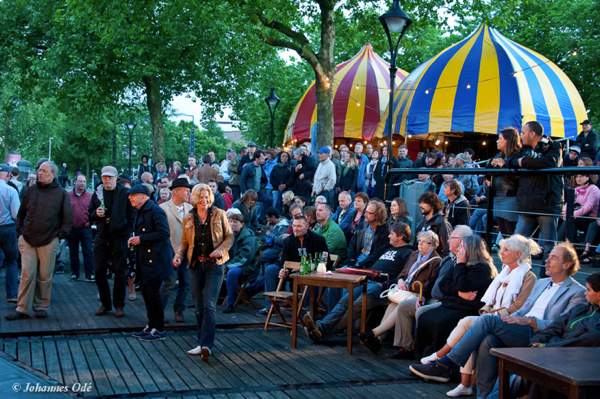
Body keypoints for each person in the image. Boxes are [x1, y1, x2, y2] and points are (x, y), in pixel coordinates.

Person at [409, 242, 586, 398]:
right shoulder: (542, 283)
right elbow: (523, 310)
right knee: (488, 340)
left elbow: (565, 327)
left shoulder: (577, 292)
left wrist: (530, 322)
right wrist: (514, 319)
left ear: (567, 264)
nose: (546, 260)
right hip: (520, 325)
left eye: (553, 258)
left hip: (540, 334)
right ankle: (484, 396)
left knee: (487, 321)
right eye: (548, 256)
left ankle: (445, 363)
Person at [420, 235, 539, 397]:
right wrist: (487, 313)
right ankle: (467, 385)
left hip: (508, 322)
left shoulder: (528, 277)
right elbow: (490, 301)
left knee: (467, 322)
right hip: (491, 318)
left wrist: (492, 315)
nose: (501, 252)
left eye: (506, 250)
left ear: (518, 254)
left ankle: (443, 360)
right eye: (501, 248)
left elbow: (519, 307)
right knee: (477, 335)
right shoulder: (503, 273)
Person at [305, 223, 415, 344]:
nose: (389, 236)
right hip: (367, 280)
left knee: (356, 306)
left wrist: (385, 284)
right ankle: (321, 329)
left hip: (382, 286)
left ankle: (322, 330)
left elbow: (405, 275)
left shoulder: (409, 253)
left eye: (392, 234)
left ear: (401, 237)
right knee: (344, 301)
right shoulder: (388, 248)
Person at [173, 183, 234, 362]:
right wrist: (178, 255)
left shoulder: (220, 214)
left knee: (209, 304)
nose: (204, 200)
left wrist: (221, 250)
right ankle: (201, 343)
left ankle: (207, 344)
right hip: (195, 265)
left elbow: (230, 236)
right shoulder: (189, 217)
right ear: (195, 199)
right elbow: (185, 240)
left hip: (214, 265)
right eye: (201, 197)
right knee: (199, 307)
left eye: (207, 197)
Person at [6, 161, 73, 320]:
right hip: (27, 239)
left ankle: (41, 306)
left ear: (53, 174)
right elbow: (21, 214)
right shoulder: (30, 190)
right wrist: (20, 234)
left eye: (44, 171)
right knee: (26, 274)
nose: (39, 173)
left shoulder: (61, 193)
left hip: (49, 240)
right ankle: (22, 308)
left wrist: (58, 237)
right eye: (39, 170)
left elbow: (68, 220)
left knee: (45, 275)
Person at [413, 235, 497, 360]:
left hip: (468, 308)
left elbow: (462, 284)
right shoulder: (458, 264)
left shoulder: (482, 268)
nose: (460, 248)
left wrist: (460, 265)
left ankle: (439, 358)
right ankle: (422, 354)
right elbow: (443, 285)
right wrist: (459, 293)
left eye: (462, 246)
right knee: (425, 317)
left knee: (441, 323)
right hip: (453, 303)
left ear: (471, 249)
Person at [359, 229, 442, 353]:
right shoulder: (414, 255)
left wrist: (410, 287)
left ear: (433, 245)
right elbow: (403, 273)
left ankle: (374, 333)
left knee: (400, 305)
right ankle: (378, 339)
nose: (420, 244)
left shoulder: (436, 261)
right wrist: (401, 281)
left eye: (425, 242)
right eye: (419, 241)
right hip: (404, 291)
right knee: (393, 304)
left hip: (418, 294)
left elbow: (430, 285)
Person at [526, 272, 600, 399]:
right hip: (555, 355)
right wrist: (537, 342)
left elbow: (588, 340)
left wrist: (549, 347)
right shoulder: (579, 309)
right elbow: (554, 327)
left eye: (588, 290)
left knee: (539, 373)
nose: (584, 293)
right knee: (530, 368)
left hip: (580, 362)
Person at [508, 121, 563, 275]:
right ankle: (521, 276)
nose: (521, 136)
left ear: (533, 134)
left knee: (548, 246)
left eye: (523, 133)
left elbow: (549, 162)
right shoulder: (524, 149)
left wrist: (523, 162)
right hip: (527, 204)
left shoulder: (554, 146)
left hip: (547, 204)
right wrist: (526, 161)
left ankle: (546, 279)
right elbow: (510, 161)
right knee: (517, 244)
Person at [253, 215, 328, 316]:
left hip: (310, 273)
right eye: (294, 226)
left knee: (312, 279)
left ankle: (310, 311)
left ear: (307, 226)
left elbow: (325, 261)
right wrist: (283, 270)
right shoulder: (289, 240)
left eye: (299, 226)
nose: (296, 229)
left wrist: (308, 267)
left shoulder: (318, 240)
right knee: (271, 269)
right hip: (292, 272)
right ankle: (271, 307)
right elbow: (284, 261)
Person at [128, 185, 173, 342]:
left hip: (156, 260)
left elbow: (164, 233)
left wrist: (141, 239)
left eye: (133, 195)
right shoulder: (142, 210)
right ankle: (151, 325)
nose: (130, 197)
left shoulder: (155, 210)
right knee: (147, 293)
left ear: (143, 196)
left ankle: (159, 328)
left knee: (153, 294)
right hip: (146, 259)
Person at [91, 166, 136, 318]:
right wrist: (96, 214)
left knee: (119, 271)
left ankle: (119, 305)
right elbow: (90, 213)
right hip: (102, 234)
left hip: (119, 235)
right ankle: (105, 303)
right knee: (98, 270)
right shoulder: (98, 192)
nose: (107, 180)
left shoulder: (125, 192)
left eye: (110, 177)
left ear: (116, 178)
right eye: (104, 177)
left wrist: (126, 230)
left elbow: (132, 214)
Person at [159, 178, 193, 323]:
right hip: (170, 252)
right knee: (168, 282)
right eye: (186, 190)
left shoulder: (191, 208)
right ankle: (159, 312)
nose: (188, 193)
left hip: (187, 252)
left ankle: (179, 310)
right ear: (176, 191)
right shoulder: (163, 208)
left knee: (185, 283)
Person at [222, 209, 258, 313]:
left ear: (242, 224)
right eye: (231, 221)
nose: (232, 224)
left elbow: (244, 258)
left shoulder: (248, 238)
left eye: (235, 222)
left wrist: (227, 266)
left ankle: (230, 303)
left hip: (245, 267)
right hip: (230, 263)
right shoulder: (229, 235)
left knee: (232, 272)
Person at [489, 127, 522, 236]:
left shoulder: (518, 156)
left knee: (510, 231)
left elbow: (518, 178)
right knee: (504, 232)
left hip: (511, 198)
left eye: (500, 139)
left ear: (508, 140)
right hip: (498, 197)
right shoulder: (499, 155)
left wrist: (504, 166)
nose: (497, 141)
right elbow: (488, 173)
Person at [346, 199, 390, 269]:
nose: (365, 214)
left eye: (368, 213)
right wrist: (351, 262)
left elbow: (376, 255)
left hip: (369, 267)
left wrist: (358, 266)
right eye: (365, 212)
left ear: (377, 216)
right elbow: (352, 246)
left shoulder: (385, 233)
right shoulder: (361, 227)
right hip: (354, 265)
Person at [558, 173, 599, 244]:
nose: (578, 179)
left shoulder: (594, 189)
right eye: (577, 177)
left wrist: (572, 215)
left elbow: (589, 207)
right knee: (559, 219)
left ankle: (563, 244)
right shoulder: (576, 189)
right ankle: (559, 244)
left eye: (581, 176)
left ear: (588, 177)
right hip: (576, 216)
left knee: (569, 220)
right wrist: (566, 213)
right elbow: (568, 203)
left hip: (589, 217)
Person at [68, 174, 94, 281]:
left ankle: (90, 274)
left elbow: (94, 210)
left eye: (84, 181)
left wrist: (90, 221)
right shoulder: (68, 196)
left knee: (87, 251)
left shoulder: (90, 196)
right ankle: (75, 273)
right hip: (72, 228)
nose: (82, 183)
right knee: (73, 251)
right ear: (75, 182)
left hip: (85, 227)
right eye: (80, 181)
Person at [0, 164, 20, 303]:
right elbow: (15, 214)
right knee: (11, 262)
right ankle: (12, 294)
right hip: (7, 229)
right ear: (8, 174)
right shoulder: (11, 190)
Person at [414, 192, 452, 256]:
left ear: (432, 205)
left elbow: (447, 248)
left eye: (424, 203)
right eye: (420, 203)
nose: (420, 205)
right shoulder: (422, 223)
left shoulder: (442, 223)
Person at [239, 150, 272, 220]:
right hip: (249, 192)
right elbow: (241, 181)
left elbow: (263, 179)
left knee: (269, 200)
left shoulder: (260, 167)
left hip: (257, 191)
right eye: (262, 158)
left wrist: (262, 187)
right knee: (249, 209)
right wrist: (245, 193)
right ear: (256, 158)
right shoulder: (248, 167)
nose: (264, 160)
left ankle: (262, 218)